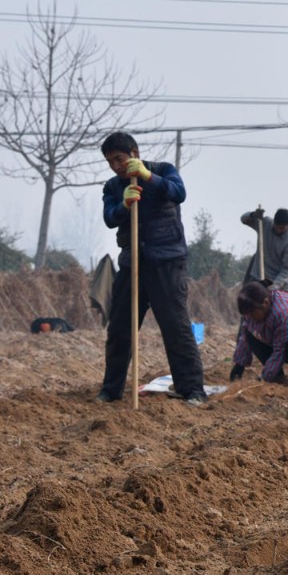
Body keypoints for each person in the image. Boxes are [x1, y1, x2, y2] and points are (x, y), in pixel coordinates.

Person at [96, 131, 207, 406]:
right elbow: (110, 218)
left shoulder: (163, 171)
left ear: (134, 153)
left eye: (119, 159)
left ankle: (192, 389)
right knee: (120, 328)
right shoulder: (112, 187)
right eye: (110, 162)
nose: (116, 166)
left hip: (167, 262)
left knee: (176, 327)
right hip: (132, 262)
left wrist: (147, 177)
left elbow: (179, 193)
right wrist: (124, 205)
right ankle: (111, 390)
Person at [242, 207, 288, 290]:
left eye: (281, 228)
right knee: (246, 299)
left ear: (287, 226)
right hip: (256, 275)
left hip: (274, 281)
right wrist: (253, 215)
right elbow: (243, 219)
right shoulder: (265, 223)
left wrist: (276, 285)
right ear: (274, 221)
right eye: (277, 226)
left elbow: (287, 269)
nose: (278, 230)